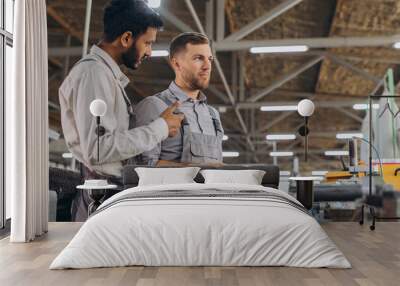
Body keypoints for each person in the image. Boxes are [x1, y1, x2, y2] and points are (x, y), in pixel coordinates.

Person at [59, 0, 184, 221]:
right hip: (101, 195)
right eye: (147, 43)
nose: (149, 52)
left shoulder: (104, 75)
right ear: (126, 38)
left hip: (110, 191)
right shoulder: (93, 74)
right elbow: (99, 150)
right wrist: (160, 128)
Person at [134, 32, 224, 167]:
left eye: (210, 59)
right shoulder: (154, 106)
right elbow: (143, 168)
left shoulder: (213, 115)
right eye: (198, 58)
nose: (207, 66)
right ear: (176, 64)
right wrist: (198, 169)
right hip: (171, 189)